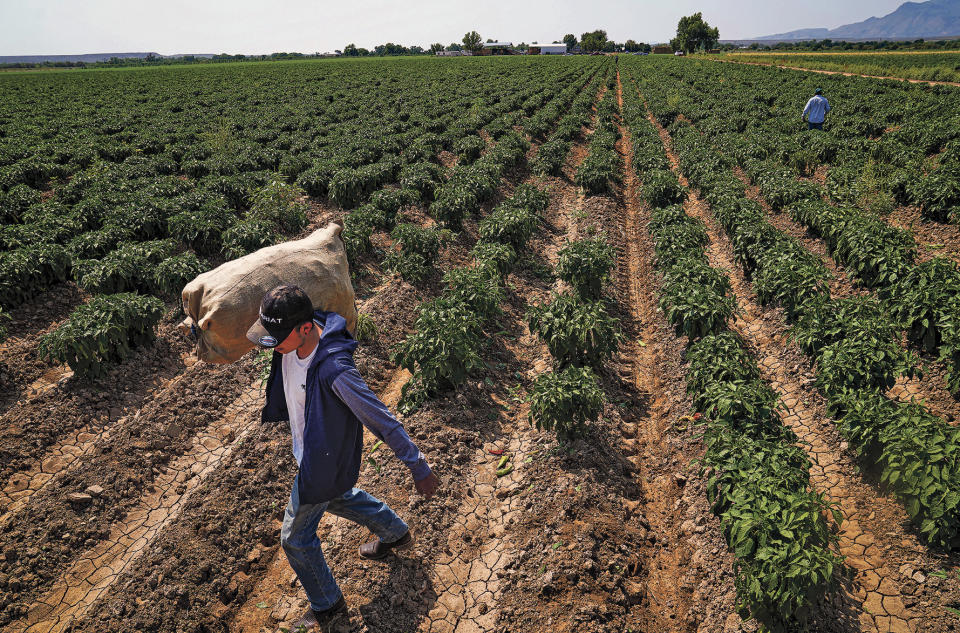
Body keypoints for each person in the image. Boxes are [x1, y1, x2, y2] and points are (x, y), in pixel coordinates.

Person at [247, 285, 441, 631]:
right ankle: (394, 533)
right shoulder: (294, 335)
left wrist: (418, 465)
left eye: (277, 336)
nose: (271, 345)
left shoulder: (336, 371)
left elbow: (380, 418)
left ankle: (328, 604)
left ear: (305, 328)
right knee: (338, 497)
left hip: (321, 461)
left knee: (295, 538)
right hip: (315, 451)